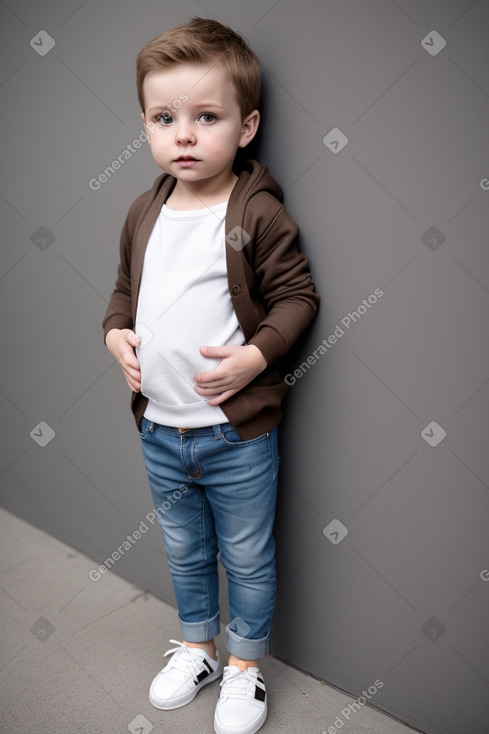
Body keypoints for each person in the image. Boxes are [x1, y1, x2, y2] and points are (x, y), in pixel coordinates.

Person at [102, 17, 319, 734]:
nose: (184, 135)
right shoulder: (143, 211)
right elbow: (123, 293)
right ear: (146, 125)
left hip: (234, 434)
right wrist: (115, 335)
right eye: (165, 119)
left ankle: (245, 666)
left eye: (206, 117)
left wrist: (257, 356)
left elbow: (297, 298)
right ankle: (197, 645)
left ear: (246, 126)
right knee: (184, 548)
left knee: (247, 554)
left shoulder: (253, 212)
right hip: (160, 428)